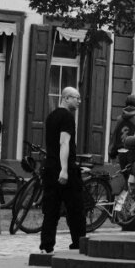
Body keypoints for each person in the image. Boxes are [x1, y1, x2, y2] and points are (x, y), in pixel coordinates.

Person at [40, 86, 85, 254]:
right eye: (76, 98)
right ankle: (79, 243)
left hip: (50, 167)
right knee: (76, 209)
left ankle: (46, 245)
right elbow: (64, 142)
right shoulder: (67, 117)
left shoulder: (51, 117)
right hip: (64, 169)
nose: (79, 101)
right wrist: (65, 169)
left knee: (51, 209)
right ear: (66, 98)